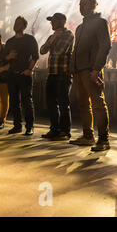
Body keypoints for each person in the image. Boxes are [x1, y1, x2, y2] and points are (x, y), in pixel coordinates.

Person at [69, 0, 111, 151]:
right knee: (83, 104)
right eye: (80, 4)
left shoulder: (101, 23)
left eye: (85, 4)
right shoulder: (80, 27)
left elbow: (105, 46)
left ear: (94, 5)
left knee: (98, 104)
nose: (81, 7)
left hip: (91, 70)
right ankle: (88, 136)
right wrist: (72, 69)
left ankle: (104, 140)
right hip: (79, 71)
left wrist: (96, 68)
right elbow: (76, 50)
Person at [39, 13, 74, 141]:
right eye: (51, 21)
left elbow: (60, 51)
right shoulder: (52, 36)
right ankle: (54, 129)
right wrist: (51, 40)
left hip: (63, 74)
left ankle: (65, 131)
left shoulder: (68, 35)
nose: (52, 23)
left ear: (62, 21)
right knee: (51, 103)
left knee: (63, 104)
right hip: (52, 73)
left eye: (54, 20)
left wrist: (51, 42)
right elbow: (42, 50)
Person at [3, 16, 39, 136]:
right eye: (15, 23)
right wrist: (9, 57)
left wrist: (29, 69)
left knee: (27, 101)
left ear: (24, 26)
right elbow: (4, 58)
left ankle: (30, 127)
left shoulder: (30, 39)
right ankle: (17, 126)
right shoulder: (10, 42)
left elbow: (35, 56)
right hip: (12, 75)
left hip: (24, 75)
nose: (16, 25)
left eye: (19, 23)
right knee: (14, 102)